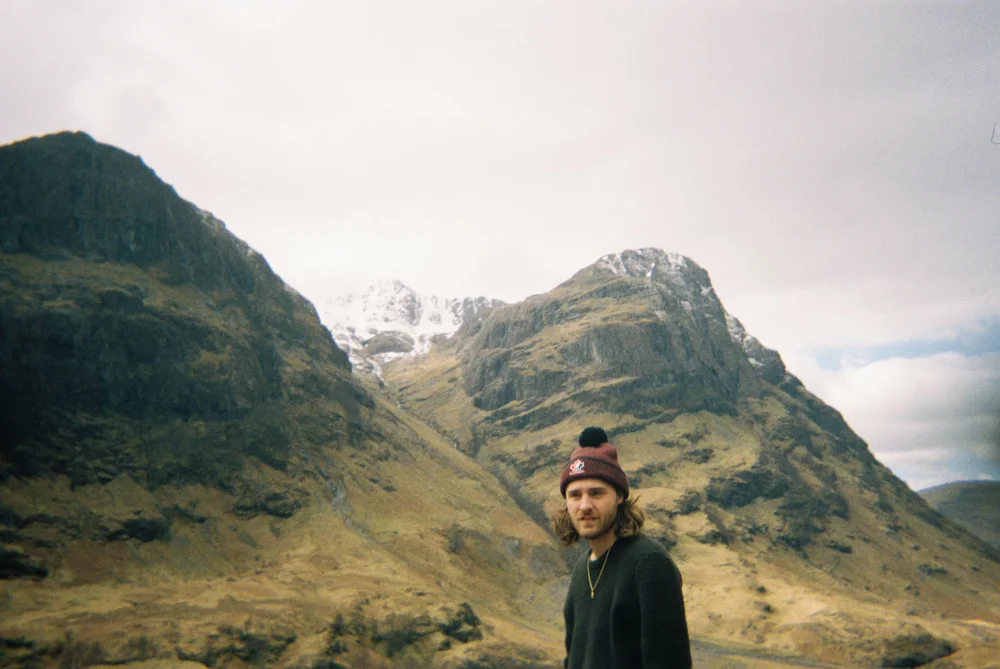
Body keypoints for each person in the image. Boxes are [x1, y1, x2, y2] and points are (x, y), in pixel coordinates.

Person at [552, 426, 692, 669]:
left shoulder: (649, 565)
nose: (584, 505)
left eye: (596, 493)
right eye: (575, 495)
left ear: (619, 496)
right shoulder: (580, 571)